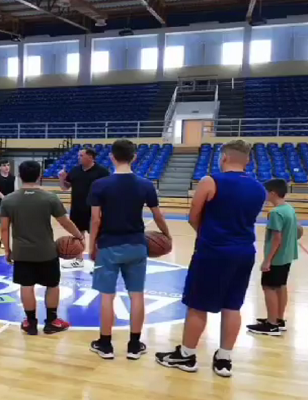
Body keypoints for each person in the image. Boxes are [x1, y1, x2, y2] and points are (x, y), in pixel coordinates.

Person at [155, 139, 266, 378]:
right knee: (232, 306)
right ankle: (224, 359)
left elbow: (193, 216)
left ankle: (186, 355)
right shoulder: (259, 188)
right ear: (247, 160)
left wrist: (207, 235)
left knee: (198, 305)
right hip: (244, 251)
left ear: (223, 157)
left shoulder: (210, 181)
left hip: (213, 251)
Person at [88, 139, 171, 360]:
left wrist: (91, 245)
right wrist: (167, 235)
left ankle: (105, 344)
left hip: (109, 245)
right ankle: (134, 345)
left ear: (112, 157)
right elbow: (158, 215)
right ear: (134, 157)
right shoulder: (145, 184)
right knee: (137, 295)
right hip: (136, 245)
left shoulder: (100, 185)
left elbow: (95, 219)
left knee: (107, 296)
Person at [0, 160, 84, 335]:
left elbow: (4, 228)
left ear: (20, 175)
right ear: (39, 175)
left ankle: (30, 323)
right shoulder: (50, 198)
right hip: (46, 251)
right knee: (52, 285)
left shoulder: (8, 199)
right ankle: (52, 322)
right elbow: (65, 222)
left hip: (22, 252)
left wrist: (7, 250)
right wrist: (79, 236)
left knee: (26, 285)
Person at [246, 178, 299, 336]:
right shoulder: (289, 209)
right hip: (287, 256)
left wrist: (267, 260)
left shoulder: (276, 213)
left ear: (273, 193)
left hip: (276, 257)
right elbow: (297, 230)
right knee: (281, 286)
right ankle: (278, 319)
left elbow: (277, 238)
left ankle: (271, 324)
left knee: (268, 287)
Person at [58, 147, 109, 269]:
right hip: (77, 208)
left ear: (90, 157)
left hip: (95, 209)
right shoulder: (75, 170)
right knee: (78, 235)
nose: (78, 158)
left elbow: (108, 190)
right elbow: (65, 187)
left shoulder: (102, 172)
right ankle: (78, 260)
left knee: (97, 237)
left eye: (81, 155)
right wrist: (62, 179)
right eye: (79, 155)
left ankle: (99, 262)